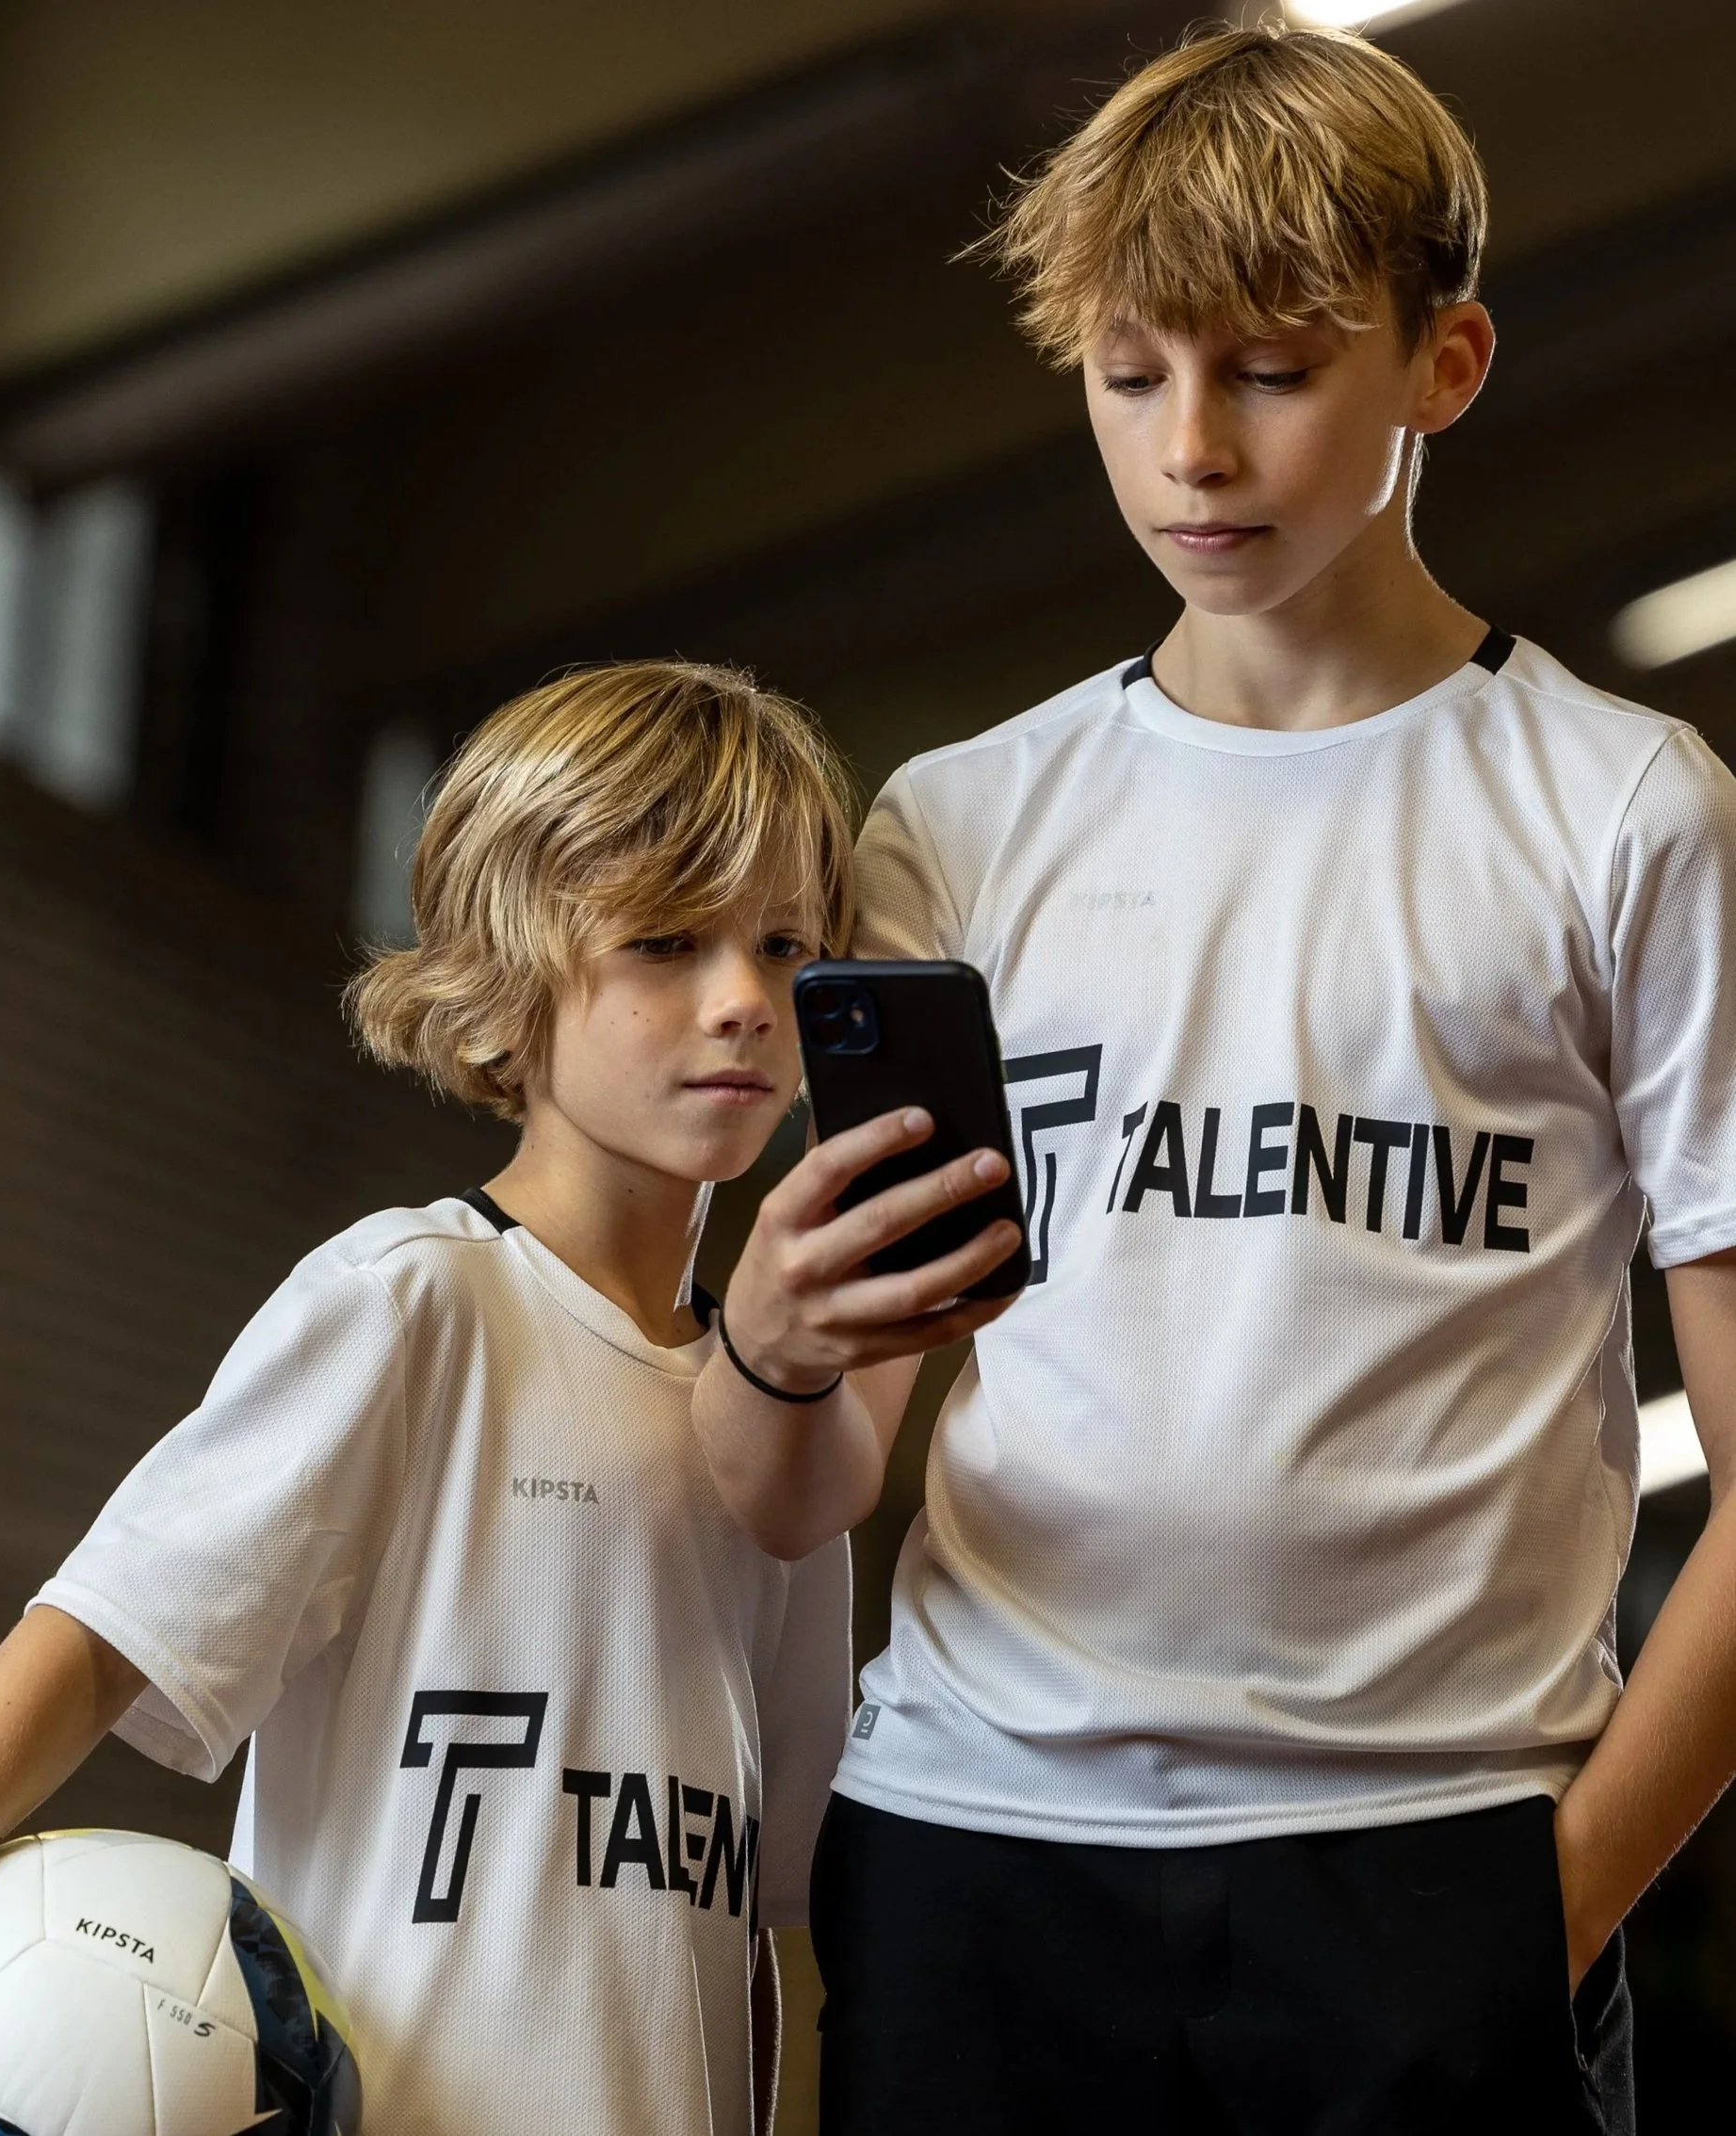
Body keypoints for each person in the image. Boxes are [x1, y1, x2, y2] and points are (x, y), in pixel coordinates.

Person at [690, 23, 1736, 2133]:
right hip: (975, 1852)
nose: (1192, 451)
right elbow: (804, 1489)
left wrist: (1551, 1906)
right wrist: (773, 1356)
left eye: (1268, 373)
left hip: (1437, 1849)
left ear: (1445, 365)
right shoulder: (956, 832)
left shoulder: (1627, 816)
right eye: (1130, 376)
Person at [0, 660, 1000, 2136]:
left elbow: (737, 1916)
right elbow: (97, 1641)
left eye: (787, 945)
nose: (744, 1000)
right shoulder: (414, 1304)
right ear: (511, 971)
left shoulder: (783, 1427)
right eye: (665, 944)